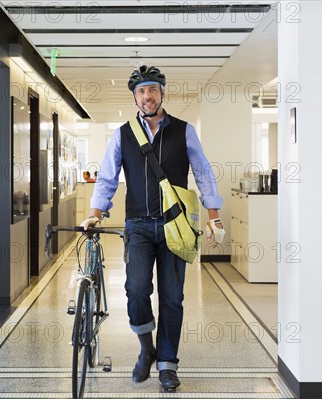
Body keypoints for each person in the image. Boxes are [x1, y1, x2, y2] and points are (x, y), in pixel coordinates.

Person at [81, 65, 225, 391]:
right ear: (135, 97)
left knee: (173, 298)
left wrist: (213, 214)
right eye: (141, 92)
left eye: (153, 90)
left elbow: (203, 173)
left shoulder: (184, 130)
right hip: (139, 226)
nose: (148, 96)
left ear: (162, 92)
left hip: (176, 227)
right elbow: (106, 177)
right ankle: (147, 349)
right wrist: (94, 212)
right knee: (135, 291)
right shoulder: (122, 134)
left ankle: (167, 364)